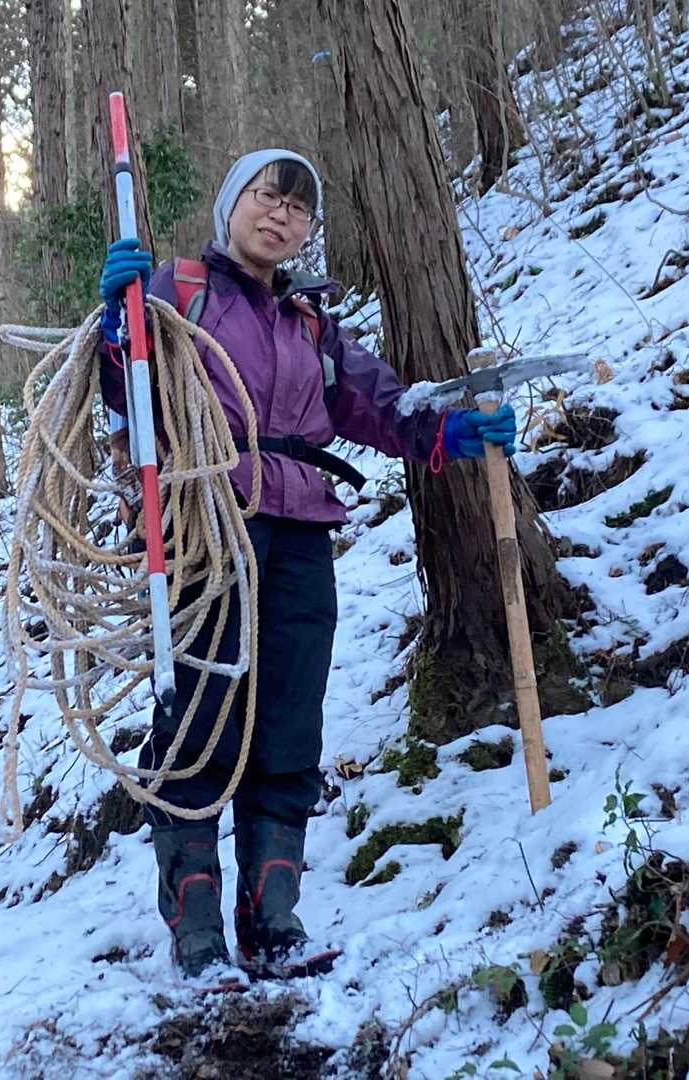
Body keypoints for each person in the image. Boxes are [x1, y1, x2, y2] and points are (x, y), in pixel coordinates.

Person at [97, 148, 516, 980]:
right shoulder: (178, 293)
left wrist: (446, 431)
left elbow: (377, 404)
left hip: (300, 531)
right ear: (230, 206)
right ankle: (195, 932)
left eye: (296, 208)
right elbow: (126, 390)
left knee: (289, 722)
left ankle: (272, 919)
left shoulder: (310, 324)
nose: (279, 215)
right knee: (200, 719)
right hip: (208, 519)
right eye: (265, 197)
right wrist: (118, 321)